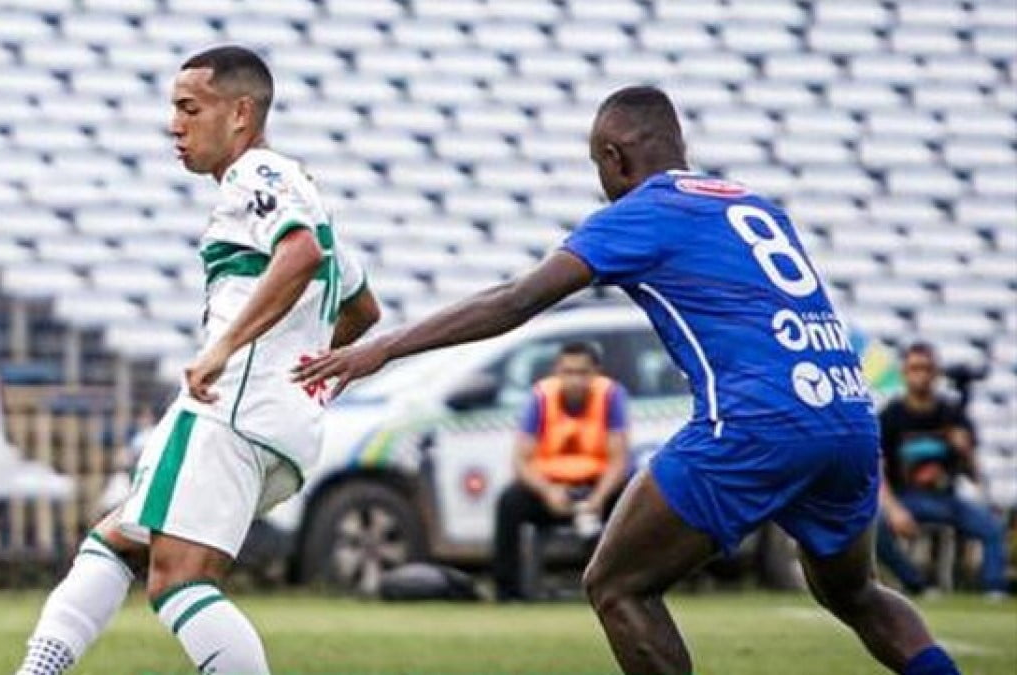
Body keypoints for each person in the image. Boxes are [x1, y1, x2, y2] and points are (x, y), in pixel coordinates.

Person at [295, 86, 961, 675]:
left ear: (615, 158)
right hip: (847, 414)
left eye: (598, 166)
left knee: (616, 583)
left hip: (759, 421)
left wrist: (381, 349)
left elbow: (517, 298)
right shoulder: (750, 202)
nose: (601, 182)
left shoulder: (646, 210)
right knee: (856, 592)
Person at [15, 46, 380, 675]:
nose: (173, 125)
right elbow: (362, 309)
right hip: (281, 426)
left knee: (178, 580)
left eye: (190, 108)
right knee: (119, 536)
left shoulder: (257, 176)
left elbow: (299, 256)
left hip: (228, 411)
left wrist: (224, 348)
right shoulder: (309, 200)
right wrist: (307, 378)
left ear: (241, 113)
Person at [494, 341, 629, 601]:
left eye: (582, 372)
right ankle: (508, 592)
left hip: (598, 488)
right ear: (556, 371)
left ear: (595, 373)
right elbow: (521, 460)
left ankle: (621, 588)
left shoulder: (610, 396)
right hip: (552, 490)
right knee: (509, 502)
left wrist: (597, 500)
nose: (575, 380)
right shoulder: (541, 397)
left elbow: (619, 460)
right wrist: (548, 492)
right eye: (568, 372)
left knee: (630, 501)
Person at [876, 343, 1008, 598]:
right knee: (875, 528)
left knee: (992, 527)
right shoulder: (891, 416)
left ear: (936, 373)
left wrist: (965, 450)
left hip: (946, 498)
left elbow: (972, 474)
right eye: (915, 368)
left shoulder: (952, 413)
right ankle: (917, 584)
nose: (921, 375)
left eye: (927, 368)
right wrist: (893, 509)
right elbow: (877, 470)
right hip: (906, 497)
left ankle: (994, 590)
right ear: (904, 372)